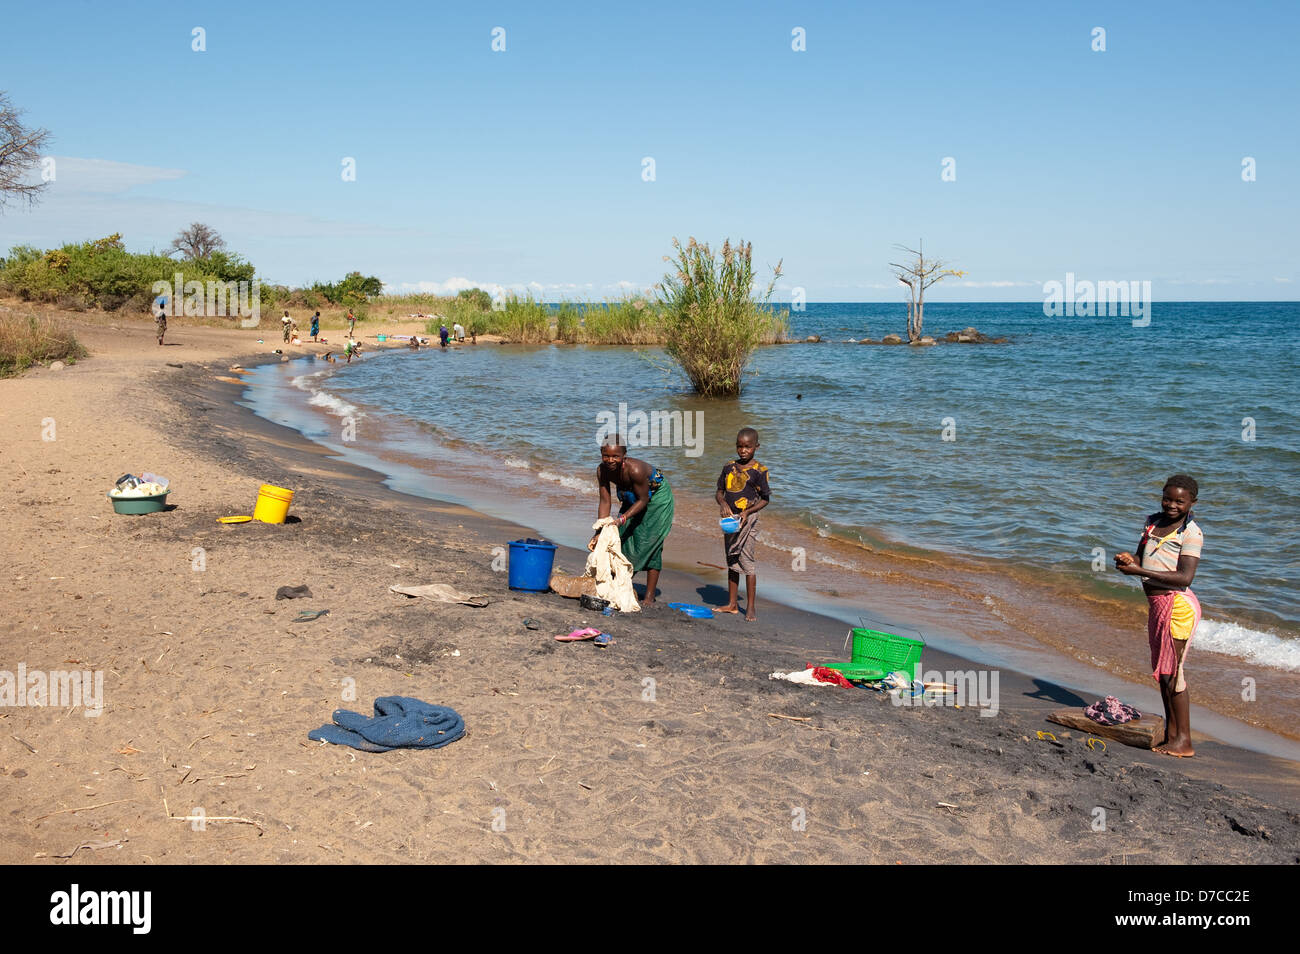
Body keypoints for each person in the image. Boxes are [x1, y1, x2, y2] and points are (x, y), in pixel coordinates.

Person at [1114, 475, 1204, 758]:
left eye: (1180, 501)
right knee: (1164, 674)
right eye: (1168, 498)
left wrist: (1139, 573)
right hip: (1156, 604)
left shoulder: (1191, 534)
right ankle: (1171, 735)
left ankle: (1184, 741)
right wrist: (1131, 561)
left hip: (1177, 606)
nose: (1172, 505)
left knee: (1174, 674)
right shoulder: (1152, 522)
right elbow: (1142, 558)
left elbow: (1184, 577)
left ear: (1192, 503)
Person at [590, 436, 674, 605]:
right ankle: (620, 582)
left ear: (624, 456)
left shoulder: (634, 470)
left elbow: (643, 500)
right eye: (606, 456)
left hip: (656, 499)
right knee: (621, 537)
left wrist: (623, 517)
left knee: (650, 541)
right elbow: (605, 501)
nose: (610, 460)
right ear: (601, 454)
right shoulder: (602, 470)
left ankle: (649, 596)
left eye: (615, 456)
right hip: (631, 494)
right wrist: (599, 531)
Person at [716, 427, 771, 621]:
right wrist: (723, 503)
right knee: (731, 559)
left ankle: (750, 607)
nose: (743, 450)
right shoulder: (729, 466)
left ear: (756, 447)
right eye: (739, 446)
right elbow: (719, 491)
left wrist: (748, 512)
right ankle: (732, 604)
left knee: (747, 562)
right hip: (730, 521)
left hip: (748, 521)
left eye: (747, 447)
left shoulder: (760, 471)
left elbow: (765, 499)